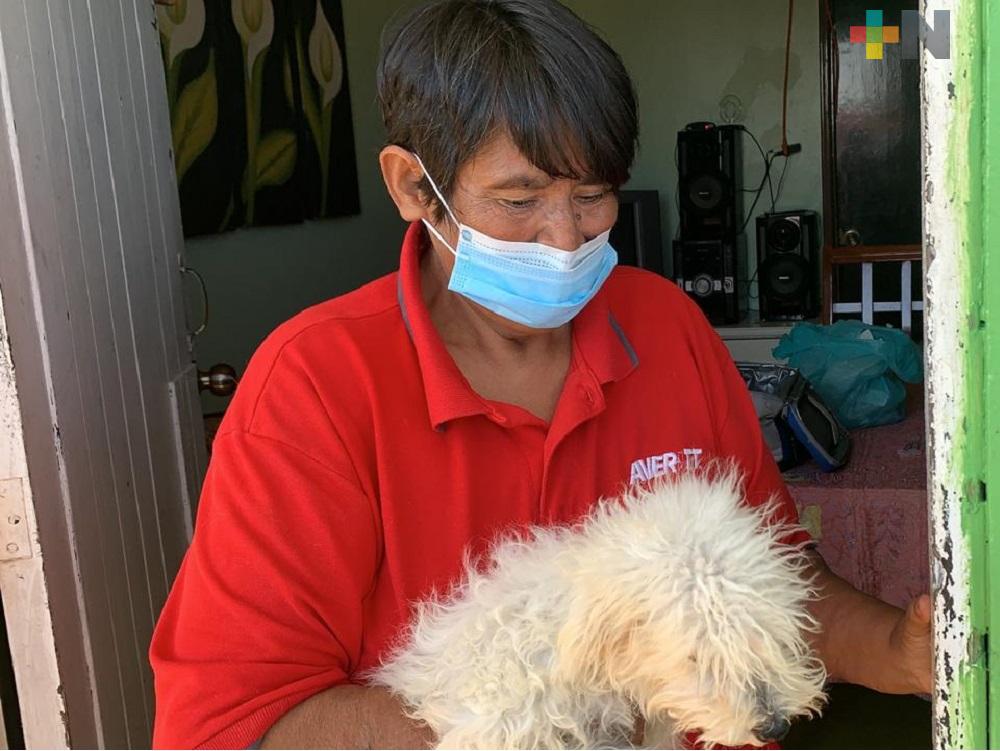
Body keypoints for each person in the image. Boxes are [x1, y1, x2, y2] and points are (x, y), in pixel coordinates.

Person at [149, 1, 932, 747]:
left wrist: (896, 652)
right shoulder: (315, 385)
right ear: (414, 187)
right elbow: (228, 727)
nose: (564, 240)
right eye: (519, 201)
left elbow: (775, 576)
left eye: (591, 197)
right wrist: (534, 718)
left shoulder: (665, 327)